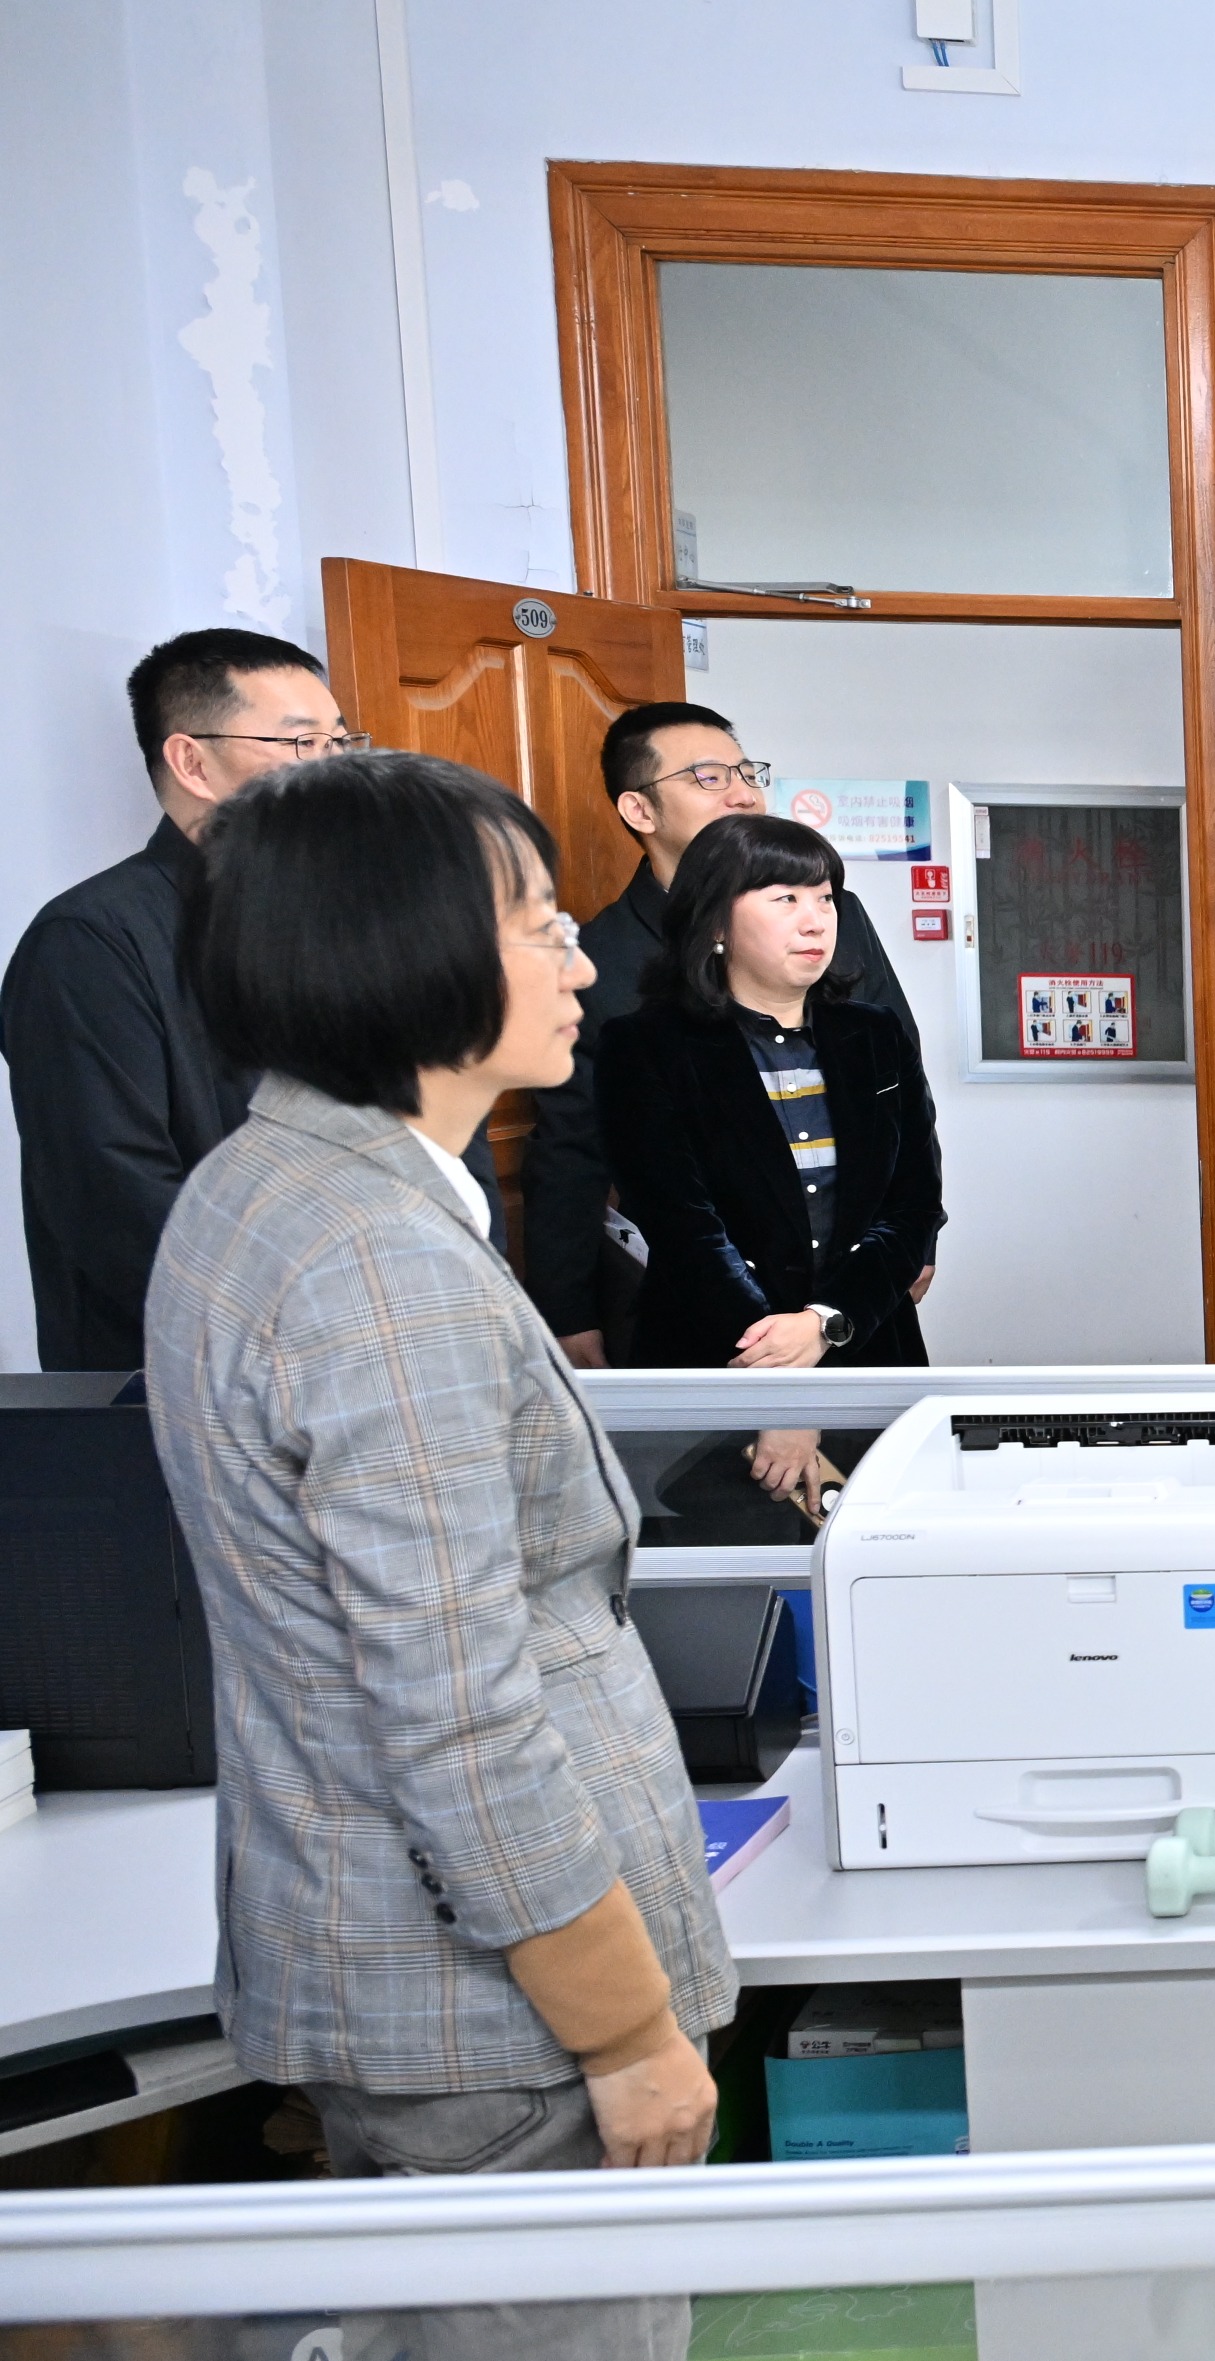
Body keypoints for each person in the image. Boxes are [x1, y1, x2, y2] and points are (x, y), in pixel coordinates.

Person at [146, 752, 730, 2359]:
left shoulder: (272, 1182)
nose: (581, 961)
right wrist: (626, 2029)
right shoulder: (377, 1264)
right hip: (499, 2020)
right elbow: (460, 1715)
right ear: (398, 952)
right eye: (539, 923)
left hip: (405, 1970)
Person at [4, 628, 361, 1369]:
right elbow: (118, 1197)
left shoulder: (343, 921)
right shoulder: (90, 940)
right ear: (192, 762)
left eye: (340, 742)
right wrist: (320, 1321)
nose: (333, 769)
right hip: (189, 1375)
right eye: (302, 743)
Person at [522, 702, 920, 1368]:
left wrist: (913, 1245)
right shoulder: (600, 958)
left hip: (854, 1283)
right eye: (708, 777)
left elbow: (902, 1094)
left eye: (746, 772)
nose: (743, 793)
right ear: (639, 810)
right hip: (708, 1301)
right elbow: (572, 1146)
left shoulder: (838, 916)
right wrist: (567, 1310)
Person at [592, 816, 944, 1506]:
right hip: (716, 1359)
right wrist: (778, 1390)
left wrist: (826, 1323)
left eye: (825, 898)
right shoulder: (644, 1046)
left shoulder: (874, 1035)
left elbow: (911, 1206)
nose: (816, 920)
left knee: (883, 1540)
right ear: (715, 922)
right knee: (734, 1546)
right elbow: (683, 1227)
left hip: (867, 1347)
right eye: (785, 899)